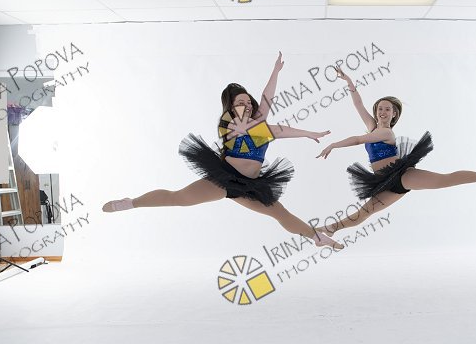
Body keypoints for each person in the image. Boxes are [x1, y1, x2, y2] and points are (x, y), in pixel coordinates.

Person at [102, 52, 342, 249]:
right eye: (240, 102)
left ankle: (317, 238)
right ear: (231, 107)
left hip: (250, 186)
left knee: (281, 213)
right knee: (178, 198)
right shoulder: (230, 123)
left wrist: (276, 73)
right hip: (224, 180)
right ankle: (131, 203)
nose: (247, 105)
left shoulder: (258, 123)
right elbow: (272, 128)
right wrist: (298, 131)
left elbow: (267, 101)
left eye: (248, 102)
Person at [314, 67, 476, 235]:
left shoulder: (387, 133)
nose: (383, 112)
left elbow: (359, 140)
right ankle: (332, 229)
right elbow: (358, 103)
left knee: (444, 180)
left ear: (394, 115)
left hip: (401, 176)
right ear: (376, 111)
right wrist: (349, 81)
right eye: (380, 108)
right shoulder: (372, 126)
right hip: (383, 182)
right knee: (365, 212)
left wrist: (333, 145)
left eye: (387, 109)